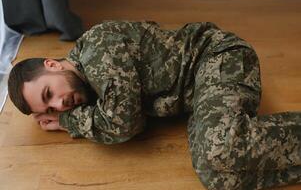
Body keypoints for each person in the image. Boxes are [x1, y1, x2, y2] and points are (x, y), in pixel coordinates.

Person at [8, 20, 301, 190]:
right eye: (50, 111)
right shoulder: (86, 85)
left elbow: (125, 124)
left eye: (49, 94)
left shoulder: (99, 52)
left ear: (52, 65)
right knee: (215, 175)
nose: (60, 105)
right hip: (195, 93)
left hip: (217, 58)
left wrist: (70, 122)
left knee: (220, 147)